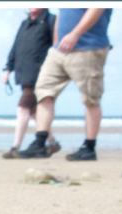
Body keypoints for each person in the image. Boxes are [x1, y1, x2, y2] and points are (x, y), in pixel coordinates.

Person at [19, 8, 113, 160]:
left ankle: (89, 147)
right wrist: (56, 43)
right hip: (58, 51)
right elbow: (62, 14)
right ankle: (40, 143)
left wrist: (75, 34)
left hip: (88, 48)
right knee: (43, 92)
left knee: (91, 98)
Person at [1, 8, 61, 159]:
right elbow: (15, 47)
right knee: (35, 112)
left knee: (23, 108)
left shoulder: (51, 20)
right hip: (24, 73)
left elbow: (57, 45)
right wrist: (8, 68)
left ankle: (15, 147)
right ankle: (52, 142)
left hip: (41, 73)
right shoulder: (24, 24)